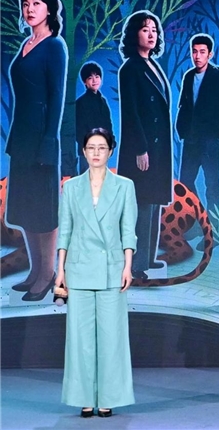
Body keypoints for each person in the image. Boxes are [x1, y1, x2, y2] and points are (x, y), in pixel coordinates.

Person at [55, 128, 137, 418]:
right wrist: (60, 270)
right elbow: (65, 231)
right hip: (78, 269)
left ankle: (109, 397)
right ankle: (84, 397)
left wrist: (127, 266)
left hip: (111, 269)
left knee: (112, 338)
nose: (96, 153)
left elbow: (128, 230)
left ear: (110, 151)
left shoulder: (125, 186)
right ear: (83, 151)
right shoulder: (71, 187)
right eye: (91, 147)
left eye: (102, 147)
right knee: (80, 339)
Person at [5, 0, 67, 302]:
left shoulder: (55, 46)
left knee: (44, 210)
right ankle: (35, 270)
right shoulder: (27, 43)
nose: (30, 9)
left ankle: (48, 274)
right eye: (26, 4)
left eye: (36, 3)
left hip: (43, 137)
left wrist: (49, 140)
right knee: (26, 207)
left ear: (49, 9)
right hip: (22, 138)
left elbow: (56, 97)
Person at [116, 10, 172, 280]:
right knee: (141, 203)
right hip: (142, 147)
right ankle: (136, 265)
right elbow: (131, 112)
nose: (151, 34)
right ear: (133, 34)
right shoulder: (130, 68)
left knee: (154, 200)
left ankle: (148, 258)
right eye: (145, 29)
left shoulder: (153, 64)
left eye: (154, 30)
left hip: (158, 146)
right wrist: (140, 148)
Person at [176, 34, 219, 229]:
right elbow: (183, 106)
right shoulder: (188, 77)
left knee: (212, 186)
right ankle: (197, 223)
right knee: (184, 184)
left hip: (210, 141)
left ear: (210, 54)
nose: (197, 56)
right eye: (194, 52)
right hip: (190, 140)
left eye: (202, 52)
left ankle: (214, 231)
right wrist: (181, 129)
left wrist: (215, 131)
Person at [75, 61, 114, 173]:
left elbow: (108, 124)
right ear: (84, 81)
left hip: (103, 149)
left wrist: (111, 143)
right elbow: (79, 129)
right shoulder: (80, 103)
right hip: (87, 152)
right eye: (90, 78)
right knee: (87, 180)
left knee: (102, 179)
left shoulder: (103, 101)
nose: (94, 80)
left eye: (97, 77)